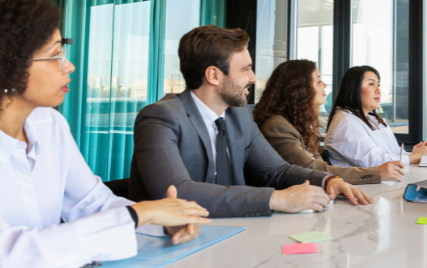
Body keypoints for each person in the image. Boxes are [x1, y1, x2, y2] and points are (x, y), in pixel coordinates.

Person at [0, 0, 211, 268]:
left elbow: (92, 202)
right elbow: (11, 253)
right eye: (54, 56)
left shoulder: (49, 123)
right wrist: (141, 215)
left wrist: (161, 221)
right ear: (8, 64)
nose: (69, 66)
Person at [129, 26, 372, 218]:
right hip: (171, 243)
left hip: (234, 230)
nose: (253, 78)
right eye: (245, 69)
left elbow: (277, 170)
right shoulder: (160, 117)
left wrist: (329, 180)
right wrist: (275, 199)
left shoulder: (239, 114)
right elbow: (177, 192)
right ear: (214, 75)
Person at [254, 60, 406, 183]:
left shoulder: (300, 124)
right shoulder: (277, 126)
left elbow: (319, 165)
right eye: (318, 81)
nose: (325, 85)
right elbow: (311, 169)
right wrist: (375, 173)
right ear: (299, 88)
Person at [325, 66, 427, 167]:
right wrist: (415, 157)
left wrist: (420, 152)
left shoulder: (373, 119)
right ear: (354, 88)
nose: (378, 90)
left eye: (378, 85)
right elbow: (375, 162)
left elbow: (393, 153)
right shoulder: (346, 123)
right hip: (366, 186)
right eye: (371, 84)